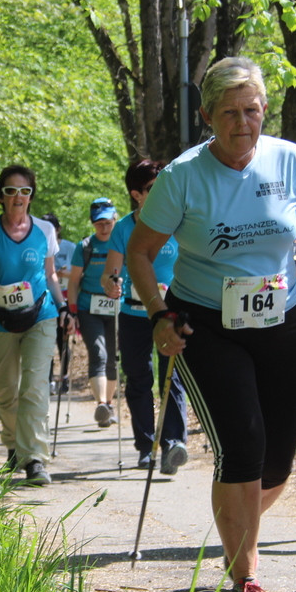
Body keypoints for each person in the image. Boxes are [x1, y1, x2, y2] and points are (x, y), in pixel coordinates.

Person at [127, 56, 296, 592]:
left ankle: (235, 519)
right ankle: (245, 580)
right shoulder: (183, 176)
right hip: (205, 324)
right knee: (243, 444)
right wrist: (157, 313)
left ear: (264, 111)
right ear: (207, 116)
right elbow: (140, 251)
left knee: (276, 461)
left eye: (251, 110)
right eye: (228, 113)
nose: (242, 123)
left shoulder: (289, 162)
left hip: (282, 320)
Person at [0, 165, 71, 486]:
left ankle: (35, 459)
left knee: (35, 386)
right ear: (1, 196)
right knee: (7, 390)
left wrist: (64, 306)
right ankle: (14, 445)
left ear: (31, 196)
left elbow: (51, 273)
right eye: (11, 191)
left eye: (24, 192)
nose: (18, 198)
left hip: (40, 314)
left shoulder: (44, 231)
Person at [101, 159, 189, 474]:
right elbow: (109, 273)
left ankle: (174, 443)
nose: (162, 191)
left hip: (173, 311)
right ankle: (145, 446)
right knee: (139, 378)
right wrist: (112, 284)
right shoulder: (124, 227)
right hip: (134, 312)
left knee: (173, 376)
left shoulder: (179, 221)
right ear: (136, 194)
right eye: (154, 188)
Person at [68, 198, 119, 428]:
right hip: (89, 307)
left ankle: (108, 404)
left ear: (115, 219)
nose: (104, 227)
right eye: (99, 223)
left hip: (117, 307)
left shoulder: (122, 243)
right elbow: (73, 282)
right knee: (98, 353)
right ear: (93, 223)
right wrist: (72, 310)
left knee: (113, 358)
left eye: (108, 222)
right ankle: (101, 405)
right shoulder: (85, 246)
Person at [43, 213, 75, 395]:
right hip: (46, 302)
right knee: (46, 342)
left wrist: (65, 274)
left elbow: (80, 273)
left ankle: (63, 377)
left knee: (62, 342)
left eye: (52, 228)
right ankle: (47, 379)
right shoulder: (39, 246)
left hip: (65, 299)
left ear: (58, 229)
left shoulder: (70, 247)